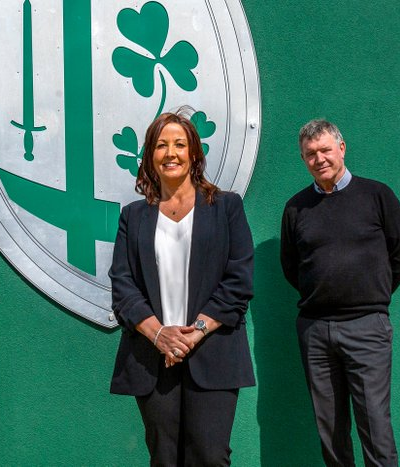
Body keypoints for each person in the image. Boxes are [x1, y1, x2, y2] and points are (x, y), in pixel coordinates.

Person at [109, 110, 255, 466]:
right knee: (164, 458)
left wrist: (194, 333)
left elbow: (238, 280)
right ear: (150, 156)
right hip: (153, 356)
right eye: (161, 145)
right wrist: (160, 335)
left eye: (179, 144)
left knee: (209, 456)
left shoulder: (227, 207)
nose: (170, 153)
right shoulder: (133, 216)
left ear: (194, 153)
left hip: (213, 352)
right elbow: (123, 286)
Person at [280, 119, 400, 467]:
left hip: (367, 327)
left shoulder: (377, 195)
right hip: (315, 331)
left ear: (341, 148)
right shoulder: (296, 208)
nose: (319, 159)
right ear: (303, 159)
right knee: (330, 431)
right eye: (310, 154)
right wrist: (324, 293)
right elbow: (291, 266)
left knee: (375, 428)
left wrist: (370, 293)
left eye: (325, 150)